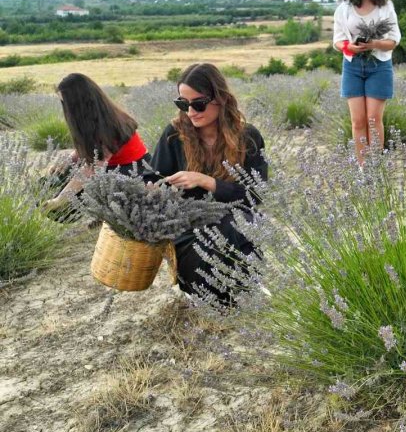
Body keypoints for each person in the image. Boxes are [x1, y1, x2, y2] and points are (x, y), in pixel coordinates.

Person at [151, 63, 268, 304]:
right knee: (199, 239)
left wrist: (207, 182)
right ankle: (213, 292)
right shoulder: (174, 135)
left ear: (220, 99)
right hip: (189, 224)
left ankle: (241, 287)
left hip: (236, 218)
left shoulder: (248, 137)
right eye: (183, 104)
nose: (191, 111)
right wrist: (156, 189)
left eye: (198, 103)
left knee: (232, 225)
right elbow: (152, 178)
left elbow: (255, 196)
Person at [43, 73, 150, 213]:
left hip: (135, 171)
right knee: (50, 182)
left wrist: (59, 200)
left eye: (66, 102)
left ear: (78, 104)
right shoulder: (97, 118)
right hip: (114, 166)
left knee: (60, 210)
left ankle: (109, 215)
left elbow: (92, 169)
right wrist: (66, 161)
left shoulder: (109, 126)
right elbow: (90, 149)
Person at [332, 0, 401, 164]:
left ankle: (375, 165)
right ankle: (363, 168)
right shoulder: (344, 8)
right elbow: (337, 40)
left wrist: (374, 44)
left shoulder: (385, 6)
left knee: (373, 119)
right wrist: (348, 47)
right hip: (352, 66)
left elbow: (394, 40)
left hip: (378, 66)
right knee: (358, 120)